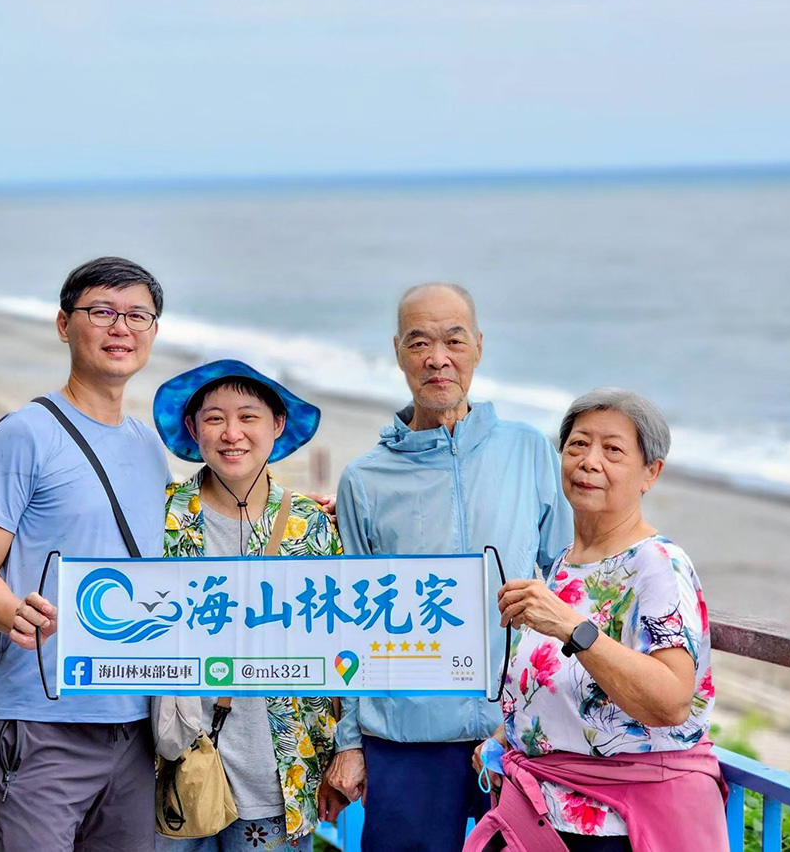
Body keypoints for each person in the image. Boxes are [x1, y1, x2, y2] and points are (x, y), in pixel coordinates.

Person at [327, 282, 573, 852]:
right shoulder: (365, 480)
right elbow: (348, 624)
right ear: (397, 352)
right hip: (404, 739)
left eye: (453, 340)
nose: (437, 358)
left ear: (478, 347)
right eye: (419, 342)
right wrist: (349, 742)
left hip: (515, 732)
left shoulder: (529, 450)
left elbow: (566, 581)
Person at [0, 257, 169, 852]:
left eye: (137, 315)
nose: (120, 327)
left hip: (134, 721)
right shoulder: (25, 433)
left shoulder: (149, 445)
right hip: (41, 719)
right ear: (63, 324)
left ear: (153, 332)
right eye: (101, 311)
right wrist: (10, 611)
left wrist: (310, 513)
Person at [466, 389, 726, 852]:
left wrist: (573, 628)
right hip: (545, 811)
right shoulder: (566, 561)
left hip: (619, 828)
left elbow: (670, 702)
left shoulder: (658, 564)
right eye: (578, 445)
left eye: (613, 450)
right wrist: (510, 733)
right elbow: (565, 685)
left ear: (651, 473)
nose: (589, 461)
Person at [152, 360, 341, 852]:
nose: (231, 433)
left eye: (249, 417)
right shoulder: (161, 516)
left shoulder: (310, 525)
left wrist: (348, 748)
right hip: (173, 762)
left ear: (277, 425)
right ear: (193, 429)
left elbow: (345, 647)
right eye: (214, 418)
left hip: (280, 774)